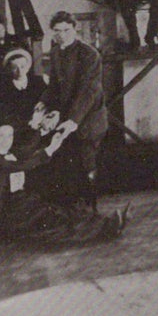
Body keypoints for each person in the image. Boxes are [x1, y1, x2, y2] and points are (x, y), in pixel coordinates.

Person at [0, 117, 125, 247]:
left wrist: (46, 134)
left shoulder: (6, 152)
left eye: (10, 135)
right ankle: (104, 228)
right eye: (3, 135)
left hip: (22, 203)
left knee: (59, 213)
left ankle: (106, 223)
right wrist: (50, 149)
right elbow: (20, 165)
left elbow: (28, 149)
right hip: (8, 211)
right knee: (55, 224)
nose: (8, 139)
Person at [35, 11, 106, 211]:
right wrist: (43, 102)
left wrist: (73, 120)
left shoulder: (89, 54)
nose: (62, 35)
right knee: (67, 164)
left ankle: (93, 211)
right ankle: (75, 212)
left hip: (89, 119)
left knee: (86, 163)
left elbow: (87, 92)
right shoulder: (56, 52)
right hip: (68, 118)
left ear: (75, 29)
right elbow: (55, 86)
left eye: (66, 30)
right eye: (57, 31)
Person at [0, 47, 46, 127]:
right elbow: (4, 114)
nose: (20, 71)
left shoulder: (38, 82)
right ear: (9, 69)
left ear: (28, 67)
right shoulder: (3, 88)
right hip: (16, 127)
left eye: (22, 66)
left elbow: (46, 102)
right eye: (15, 68)